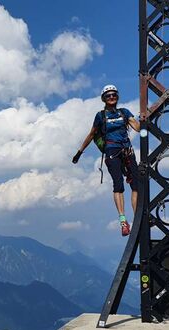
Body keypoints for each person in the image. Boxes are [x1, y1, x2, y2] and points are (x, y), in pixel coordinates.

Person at [72, 84, 142, 236]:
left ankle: (137, 218)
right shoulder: (100, 116)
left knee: (136, 184)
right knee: (118, 184)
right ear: (104, 98)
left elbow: (137, 127)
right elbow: (91, 135)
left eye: (114, 95)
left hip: (127, 150)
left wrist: (143, 117)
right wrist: (80, 152)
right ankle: (123, 221)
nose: (112, 97)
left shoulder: (124, 112)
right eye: (108, 95)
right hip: (112, 151)